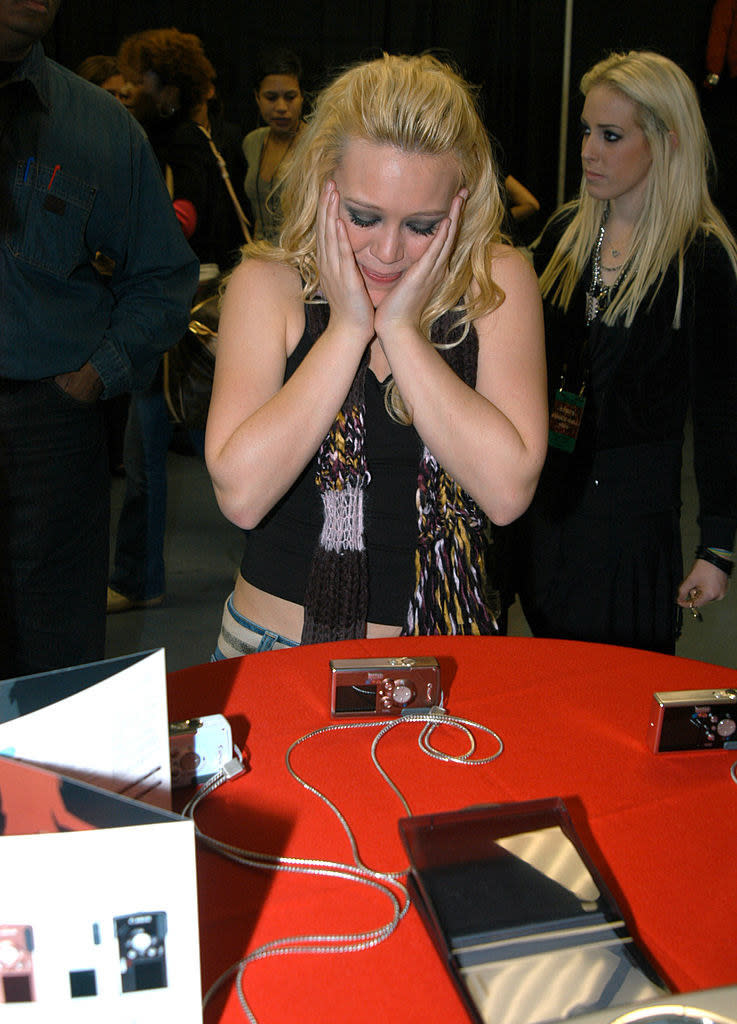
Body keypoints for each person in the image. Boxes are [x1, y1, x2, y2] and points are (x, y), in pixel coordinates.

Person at [205, 53, 548, 657]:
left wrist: (402, 332)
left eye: (422, 226)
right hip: (275, 645)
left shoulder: (497, 281)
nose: (388, 252)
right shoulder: (268, 283)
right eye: (363, 217)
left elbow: (505, 491)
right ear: (324, 184)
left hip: (446, 656)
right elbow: (241, 495)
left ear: (461, 206)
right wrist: (345, 331)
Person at [0, 0, 199, 678]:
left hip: (44, 429)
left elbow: (164, 275)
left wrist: (96, 373)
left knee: (52, 657)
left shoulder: (97, 125)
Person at [515, 50, 737, 655]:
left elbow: (721, 414)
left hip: (632, 534)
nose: (588, 150)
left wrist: (717, 546)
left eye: (611, 136)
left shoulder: (701, 260)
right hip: (547, 516)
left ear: (665, 141)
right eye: (587, 131)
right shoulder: (563, 237)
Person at [107, 28, 249, 614]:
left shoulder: (176, 144)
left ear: (166, 89)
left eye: (140, 78)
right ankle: (142, 577)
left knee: (167, 451)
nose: (129, 88)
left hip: (184, 321)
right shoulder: (185, 139)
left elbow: (183, 220)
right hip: (193, 321)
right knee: (200, 451)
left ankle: (141, 578)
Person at [242, 47, 305, 244]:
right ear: (257, 97)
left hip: (301, 258)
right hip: (259, 254)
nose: (281, 107)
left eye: (290, 97)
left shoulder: (316, 144)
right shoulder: (251, 142)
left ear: (302, 96)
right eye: (271, 97)